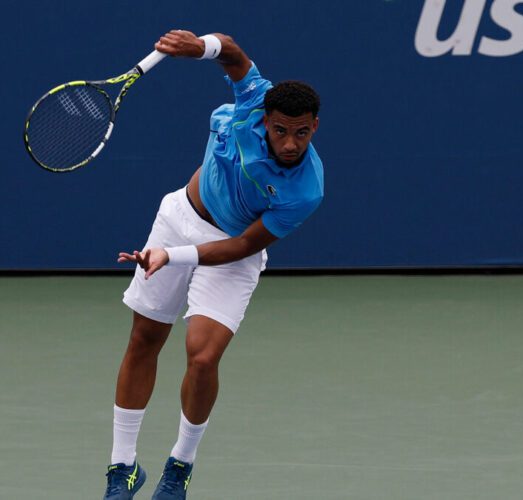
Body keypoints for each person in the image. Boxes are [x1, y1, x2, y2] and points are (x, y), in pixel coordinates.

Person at [103, 30, 323, 499]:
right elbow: (233, 51)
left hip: (230, 249)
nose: (289, 143)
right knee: (144, 338)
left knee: (203, 357)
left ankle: (179, 466)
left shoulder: (305, 190)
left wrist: (171, 257)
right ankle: (122, 468)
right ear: (265, 119)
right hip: (179, 215)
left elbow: (244, 246)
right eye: (281, 130)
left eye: (301, 133)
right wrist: (198, 46)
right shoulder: (253, 98)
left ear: (314, 128)